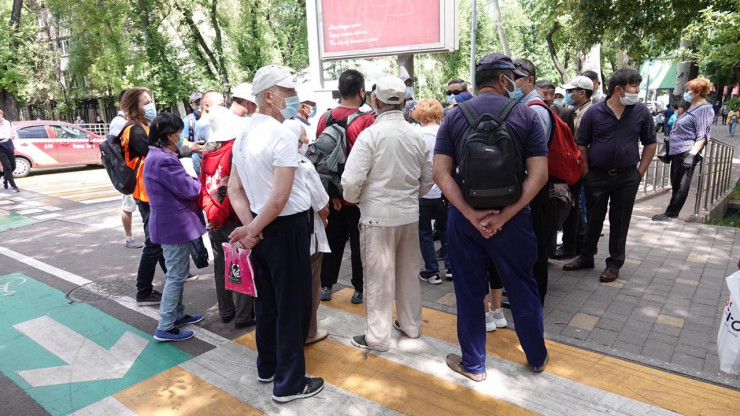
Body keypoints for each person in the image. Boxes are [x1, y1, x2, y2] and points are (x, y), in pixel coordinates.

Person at [434, 53, 549, 380]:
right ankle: (536, 357)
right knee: (523, 287)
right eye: (513, 77)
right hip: (513, 220)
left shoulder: (454, 117)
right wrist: (505, 215)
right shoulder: (526, 116)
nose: (516, 83)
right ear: (502, 79)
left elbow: (440, 173)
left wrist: (471, 214)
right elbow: (539, 175)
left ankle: (474, 365)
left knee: (469, 292)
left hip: (464, 220)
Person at [228, 65, 324, 403]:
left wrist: (251, 228)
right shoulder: (283, 133)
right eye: (288, 91)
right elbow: (281, 196)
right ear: (269, 96)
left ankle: (267, 366)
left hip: (260, 226)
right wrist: (253, 229)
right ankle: (289, 383)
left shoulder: (243, 133)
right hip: (285, 227)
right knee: (292, 305)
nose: (294, 98)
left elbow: (234, 188)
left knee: (267, 302)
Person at [342, 76, 433, 352]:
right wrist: (410, 197)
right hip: (409, 215)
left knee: (378, 280)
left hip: (376, 217)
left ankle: (377, 338)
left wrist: (358, 200)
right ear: (404, 102)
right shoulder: (416, 136)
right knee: (409, 275)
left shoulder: (370, 135)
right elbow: (428, 178)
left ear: (375, 101)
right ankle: (411, 326)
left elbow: (351, 181)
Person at [563, 69, 657, 283]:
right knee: (593, 219)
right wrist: (586, 172)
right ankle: (586, 257)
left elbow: (650, 143)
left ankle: (614, 263)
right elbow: (581, 144)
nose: (637, 90)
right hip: (597, 176)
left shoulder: (641, 112)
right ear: (618, 89)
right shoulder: (594, 112)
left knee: (620, 221)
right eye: (633, 86)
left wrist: (639, 173)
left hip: (627, 177)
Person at [144, 113, 205, 342]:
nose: (181, 136)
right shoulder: (164, 160)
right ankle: (166, 326)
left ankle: (176, 316)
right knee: (177, 276)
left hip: (169, 223)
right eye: (179, 132)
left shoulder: (156, 155)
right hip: (174, 225)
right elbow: (190, 189)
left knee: (176, 272)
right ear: (170, 136)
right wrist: (198, 181)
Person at [315, 70, 375, 304]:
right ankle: (359, 289)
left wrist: (331, 194)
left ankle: (326, 285)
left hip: (332, 195)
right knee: (360, 244)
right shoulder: (367, 120)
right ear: (361, 91)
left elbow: (320, 159)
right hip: (358, 196)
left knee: (332, 240)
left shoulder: (325, 117)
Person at [200, 105, 255, 329]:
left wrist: (213, 217)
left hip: (214, 221)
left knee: (221, 267)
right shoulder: (235, 151)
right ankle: (243, 316)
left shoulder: (207, 154)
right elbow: (234, 192)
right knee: (242, 265)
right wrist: (221, 217)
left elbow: (204, 189)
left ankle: (225, 311)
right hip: (233, 221)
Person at [513, 58, 555, 305]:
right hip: (530, 183)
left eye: (516, 78)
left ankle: (535, 296)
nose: (511, 83)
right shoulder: (524, 107)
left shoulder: (535, 110)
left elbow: (532, 155)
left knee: (535, 241)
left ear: (530, 80)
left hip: (534, 185)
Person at [119, 87, 167, 306]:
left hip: (149, 191)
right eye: (145, 103)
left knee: (158, 239)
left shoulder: (142, 127)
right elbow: (156, 156)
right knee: (153, 242)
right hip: (146, 193)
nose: (150, 106)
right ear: (133, 107)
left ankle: (174, 274)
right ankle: (143, 291)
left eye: (150, 101)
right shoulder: (135, 131)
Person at [285, 119, 330, 344]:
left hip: (279, 235)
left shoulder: (268, 161)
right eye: (303, 136)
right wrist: (325, 218)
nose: (307, 140)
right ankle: (309, 331)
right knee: (311, 283)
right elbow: (322, 204)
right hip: (308, 234)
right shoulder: (304, 165)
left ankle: (288, 331)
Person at [653, 78, 713, 221]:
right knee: (676, 183)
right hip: (678, 151)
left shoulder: (704, 109)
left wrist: (691, 155)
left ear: (698, 92)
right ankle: (671, 212)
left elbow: (703, 136)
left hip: (687, 151)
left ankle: (671, 214)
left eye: (689, 90)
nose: (686, 92)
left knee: (681, 184)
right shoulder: (692, 107)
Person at [552, 75, 594, 260]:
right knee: (574, 205)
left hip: (580, 166)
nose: (567, 95)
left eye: (570, 91)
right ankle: (576, 243)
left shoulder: (589, 113)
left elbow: (582, 143)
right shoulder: (575, 110)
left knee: (573, 206)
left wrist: (583, 169)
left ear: (582, 93)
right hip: (575, 165)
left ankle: (572, 245)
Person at [414, 98, 451, 285]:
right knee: (446, 230)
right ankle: (451, 268)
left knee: (424, 232)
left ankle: (432, 271)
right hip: (445, 190)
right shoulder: (446, 131)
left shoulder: (416, 134)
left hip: (423, 191)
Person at [109, 91, 144, 249]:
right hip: (129, 172)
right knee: (128, 205)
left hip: (136, 171)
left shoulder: (132, 121)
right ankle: (129, 237)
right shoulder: (120, 122)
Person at [189, 91, 224, 178]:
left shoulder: (208, 123)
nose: (223, 109)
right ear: (207, 106)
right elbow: (217, 150)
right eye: (220, 105)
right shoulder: (205, 125)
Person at [0, 110, 19, 193]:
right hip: (0, 147)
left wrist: (12, 136)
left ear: (2, 115)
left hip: (9, 145)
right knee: (7, 166)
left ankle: (5, 177)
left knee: (13, 166)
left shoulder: (9, 123)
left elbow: (14, 134)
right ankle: (14, 186)